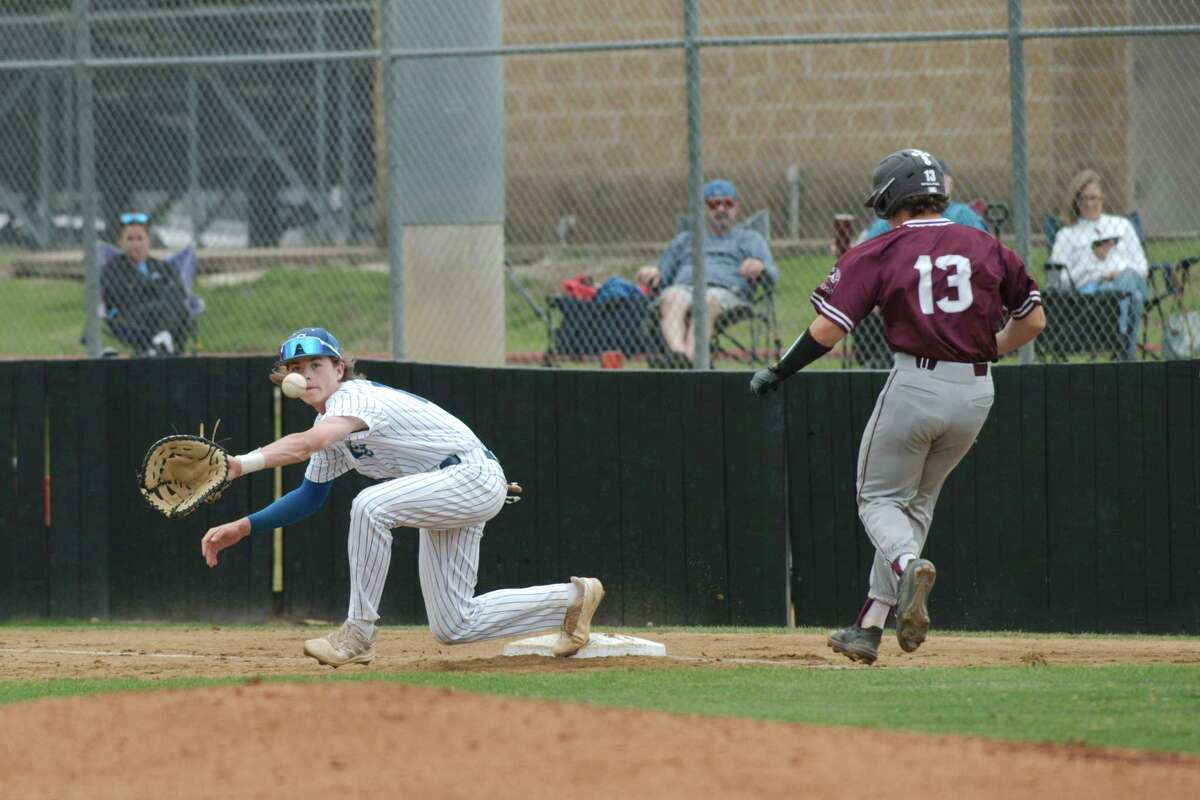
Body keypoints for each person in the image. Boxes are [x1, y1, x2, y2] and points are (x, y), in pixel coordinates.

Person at [749, 149, 1046, 665]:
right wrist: (981, 350)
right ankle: (869, 627)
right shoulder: (986, 244)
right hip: (977, 392)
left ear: (891, 198)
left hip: (918, 384)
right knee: (916, 505)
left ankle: (908, 564)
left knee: (877, 500)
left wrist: (779, 371)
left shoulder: (882, 248)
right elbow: (1034, 321)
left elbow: (827, 330)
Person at [198, 327, 605, 666]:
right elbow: (309, 496)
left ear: (339, 369)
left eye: (316, 365)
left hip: (470, 475)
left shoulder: (351, 397)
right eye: (296, 368)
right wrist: (245, 525)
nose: (306, 375)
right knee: (454, 625)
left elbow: (305, 444)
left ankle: (357, 635)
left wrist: (240, 464)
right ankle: (571, 599)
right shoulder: (331, 425)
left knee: (370, 505)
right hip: (447, 491)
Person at [636, 179, 778, 366]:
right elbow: (661, 271)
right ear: (704, 209)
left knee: (706, 300)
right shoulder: (686, 239)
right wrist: (650, 271)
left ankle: (687, 361)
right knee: (671, 297)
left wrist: (760, 268)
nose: (721, 209)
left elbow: (772, 275)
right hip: (685, 288)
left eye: (727, 203)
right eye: (714, 204)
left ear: (737, 207)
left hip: (727, 293)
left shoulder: (750, 239)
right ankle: (680, 356)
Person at [1049, 169, 1150, 360]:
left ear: (1102, 198)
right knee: (1134, 298)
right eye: (1084, 198)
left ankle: (1121, 337)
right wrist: (1092, 258)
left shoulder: (1122, 225)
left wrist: (1117, 274)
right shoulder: (1067, 234)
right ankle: (1126, 353)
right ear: (1076, 201)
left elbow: (1142, 267)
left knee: (1128, 278)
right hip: (1093, 294)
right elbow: (1057, 278)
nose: (1089, 204)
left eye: (1094, 198)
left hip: (1128, 280)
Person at [100, 211, 194, 356]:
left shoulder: (162, 266)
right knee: (172, 306)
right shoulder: (113, 268)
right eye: (130, 239)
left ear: (148, 241)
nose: (136, 244)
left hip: (164, 309)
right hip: (130, 316)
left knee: (178, 304)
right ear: (120, 242)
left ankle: (163, 343)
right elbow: (121, 296)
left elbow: (179, 290)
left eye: (140, 238)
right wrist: (156, 287)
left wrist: (143, 286)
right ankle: (164, 342)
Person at [855, 158, 989, 246]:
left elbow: (983, 245)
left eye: (943, 178)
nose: (938, 183)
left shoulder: (961, 213)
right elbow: (869, 246)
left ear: (951, 182)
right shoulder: (896, 216)